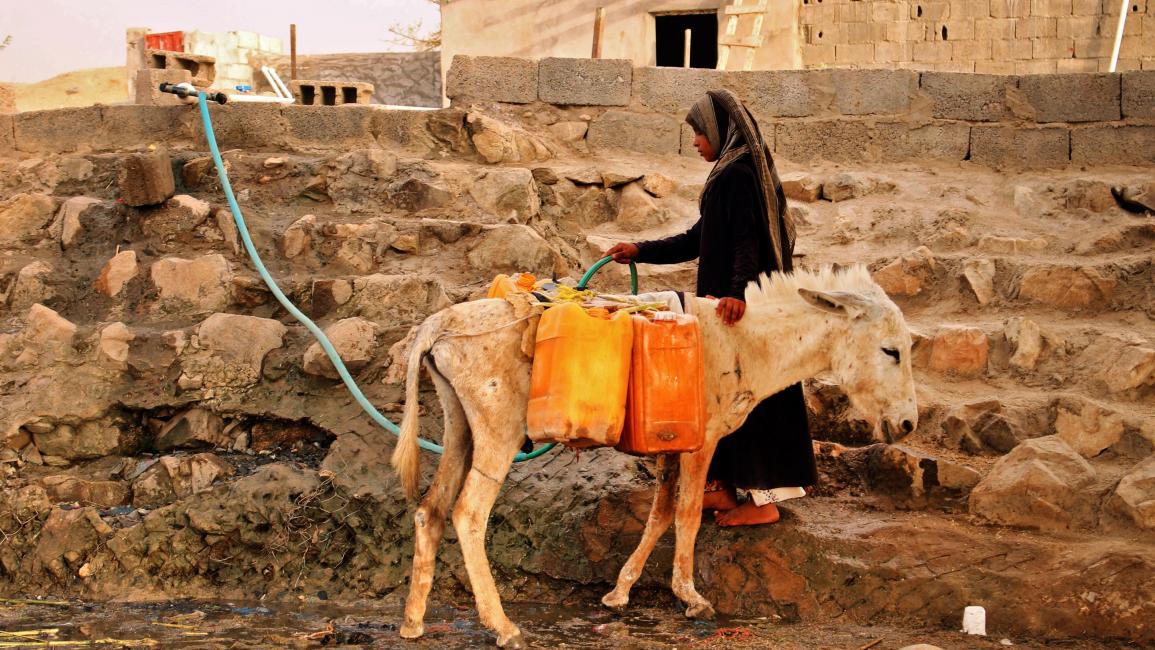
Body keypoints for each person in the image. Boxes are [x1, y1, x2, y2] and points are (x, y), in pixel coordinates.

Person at [605, 89, 818, 526]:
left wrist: (737, 293)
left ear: (720, 132)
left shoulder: (739, 175)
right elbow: (695, 240)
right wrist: (639, 250)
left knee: (750, 401)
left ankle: (764, 504)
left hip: (740, 312)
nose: (697, 143)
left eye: (700, 133)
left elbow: (748, 240)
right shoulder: (728, 175)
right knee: (722, 400)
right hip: (725, 311)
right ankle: (719, 489)